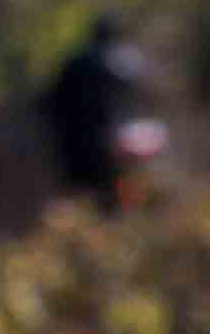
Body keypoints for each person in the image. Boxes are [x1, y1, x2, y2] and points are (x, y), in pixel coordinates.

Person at [45, 13, 148, 210]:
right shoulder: (124, 66)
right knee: (114, 199)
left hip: (75, 144)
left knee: (79, 197)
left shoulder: (74, 63)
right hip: (111, 145)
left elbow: (52, 104)